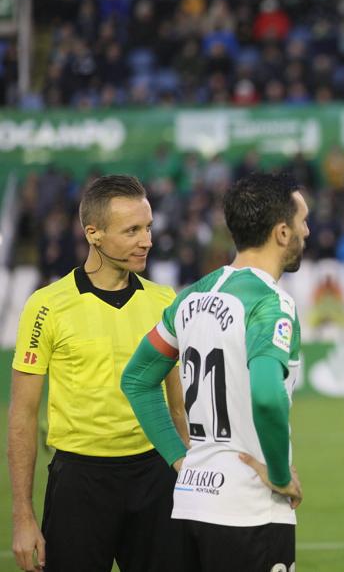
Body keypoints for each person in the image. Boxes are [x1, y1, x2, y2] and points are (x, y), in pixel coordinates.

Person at [120, 172, 308, 571]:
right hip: (249, 511)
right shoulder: (271, 304)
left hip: (190, 502)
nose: (307, 230)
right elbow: (268, 396)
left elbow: (137, 379)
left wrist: (178, 459)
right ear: (281, 233)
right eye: (302, 221)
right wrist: (278, 474)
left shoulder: (192, 295)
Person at [8, 174, 186, 572]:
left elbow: (179, 410)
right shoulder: (46, 307)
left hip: (155, 476)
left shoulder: (164, 301)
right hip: (79, 483)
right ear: (95, 234)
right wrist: (23, 517)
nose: (147, 240)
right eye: (132, 230)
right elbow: (22, 416)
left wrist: (193, 486)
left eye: (148, 227)